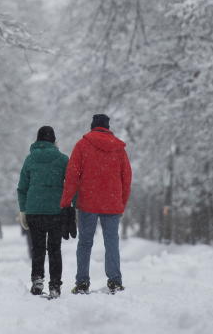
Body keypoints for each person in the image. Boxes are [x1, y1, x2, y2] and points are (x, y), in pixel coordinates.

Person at [60, 113, 132, 294]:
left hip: (88, 202)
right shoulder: (119, 149)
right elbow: (127, 178)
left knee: (85, 242)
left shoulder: (82, 145)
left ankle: (82, 282)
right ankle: (115, 281)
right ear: (108, 127)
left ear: (92, 126)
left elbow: (72, 176)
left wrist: (66, 201)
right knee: (111, 242)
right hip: (112, 202)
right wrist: (121, 203)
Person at [17, 125, 69, 298]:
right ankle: (55, 285)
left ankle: (37, 281)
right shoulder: (62, 160)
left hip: (34, 210)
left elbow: (22, 188)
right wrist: (72, 207)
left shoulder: (30, 160)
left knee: (38, 248)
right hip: (55, 210)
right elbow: (70, 186)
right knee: (55, 249)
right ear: (54, 141)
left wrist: (23, 210)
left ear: (37, 141)